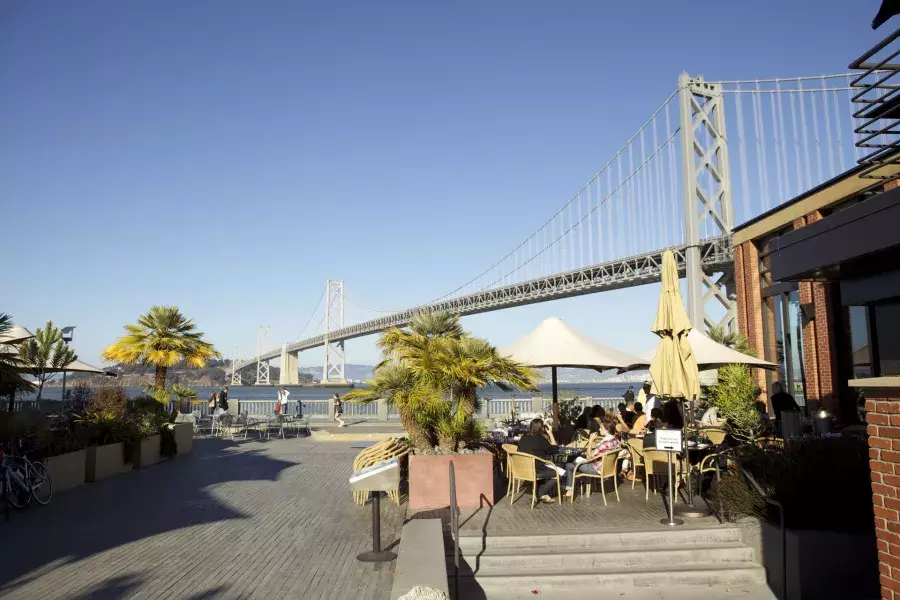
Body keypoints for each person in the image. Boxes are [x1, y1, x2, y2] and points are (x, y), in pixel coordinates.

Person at [563, 414, 622, 499]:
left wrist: (590, 441)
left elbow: (588, 457)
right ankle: (570, 491)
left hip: (596, 469)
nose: (599, 429)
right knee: (570, 465)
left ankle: (570, 490)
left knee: (571, 462)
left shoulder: (605, 444)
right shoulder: (616, 440)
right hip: (608, 469)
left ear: (607, 430)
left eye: (601, 428)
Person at [516, 418, 562, 503]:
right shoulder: (541, 439)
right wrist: (550, 433)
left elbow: (518, 451)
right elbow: (555, 449)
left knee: (542, 464)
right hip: (536, 470)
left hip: (522, 469)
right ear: (541, 428)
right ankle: (542, 492)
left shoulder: (523, 437)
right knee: (558, 473)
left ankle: (540, 492)